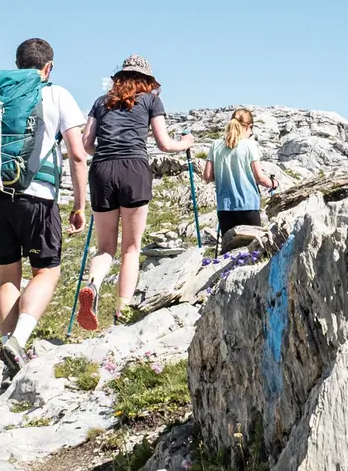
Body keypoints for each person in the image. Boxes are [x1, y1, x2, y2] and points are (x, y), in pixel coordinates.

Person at [0, 38, 89, 376]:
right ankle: (18, 341)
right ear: (48, 67)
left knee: (7, 275)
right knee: (46, 271)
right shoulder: (57, 94)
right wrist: (80, 204)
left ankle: (8, 341)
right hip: (36, 194)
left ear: (17, 64)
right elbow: (77, 153)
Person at [76, 55, 194, 330]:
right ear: (148, 81)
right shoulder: (151, 100)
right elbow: (164, 144)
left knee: (105, 247)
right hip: (134, 170)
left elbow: (86, 144)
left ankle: (92, 285)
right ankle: (122, 311)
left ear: (119, 78)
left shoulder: (100, 101)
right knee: (131, 247)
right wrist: (186, 142)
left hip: (102, 169)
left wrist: (107, 152)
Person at [200, 108, 276, 236]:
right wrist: (273, 183)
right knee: (252, 251)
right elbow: (260, 178)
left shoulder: (215, 145)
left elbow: (207, 176)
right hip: (248, 205)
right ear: (249, 127)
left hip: (224, 207)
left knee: (228, 250)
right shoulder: (249, 145)